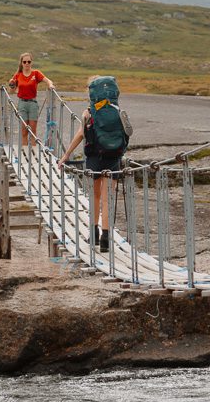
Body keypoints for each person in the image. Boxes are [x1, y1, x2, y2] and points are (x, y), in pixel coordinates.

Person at [57, 76, 127, 253]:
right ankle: (105, 238)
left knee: (95, 197)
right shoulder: (117, 110)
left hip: (95, 158)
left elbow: (81, 134)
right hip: (113, 157)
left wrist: (66, 155)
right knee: (107, 198)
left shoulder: (88, 113)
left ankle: (94, 233)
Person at [8, 51, 54, 151]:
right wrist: (11, 85)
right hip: (22, 104)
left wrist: (50, 85)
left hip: (33, 103)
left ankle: (33, 154)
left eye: (29, 61)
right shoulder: (17, 75)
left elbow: (48, 80)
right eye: (24, 62)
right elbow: (11, 91)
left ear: (31, 62)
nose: (27, 64)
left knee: (33, 131)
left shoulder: (36, 73)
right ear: (21, 63)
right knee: (24, 131)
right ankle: (24, 154)